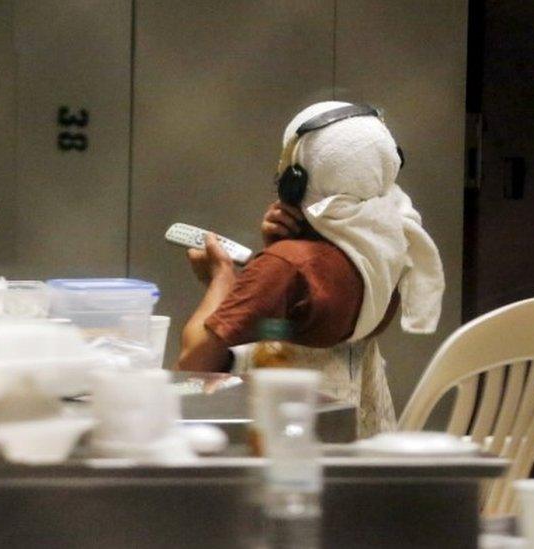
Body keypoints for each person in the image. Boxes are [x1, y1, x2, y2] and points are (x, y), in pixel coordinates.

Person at [177, 101, 445, 437]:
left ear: (295, 181)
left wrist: (222, 278)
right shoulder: (390, 248)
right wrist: (276, 251)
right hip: (343, 449)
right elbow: (303, 311)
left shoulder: (286, 267)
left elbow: (192, 366)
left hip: (277, 454)